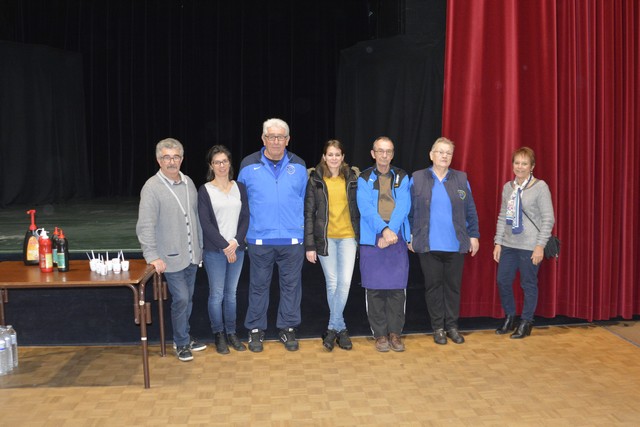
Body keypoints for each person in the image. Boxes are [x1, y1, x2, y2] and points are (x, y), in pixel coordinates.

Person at [237, 118, 307, 352]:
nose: (276, 141)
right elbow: (241, 202)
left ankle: (288, 328)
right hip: (259, 239)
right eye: (271, 137)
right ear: (263, 139)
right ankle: (256, 329)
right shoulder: (248, 165)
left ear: (287, 140)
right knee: (258, 286)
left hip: (292, 239)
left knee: (291, 287)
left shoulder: (299, 165)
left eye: (280, 137)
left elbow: (305, 201)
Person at [136, 138, 206, 362]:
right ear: (159, 160)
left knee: (188, 299)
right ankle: (181, 342)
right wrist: (152, 256)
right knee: (182, 299)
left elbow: (195, 218)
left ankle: (184, 335)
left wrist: (200, 248)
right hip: (170, 257)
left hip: (191, 255)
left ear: (182, 159)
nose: (171, 162)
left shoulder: (188, 183)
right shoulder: (151, 187)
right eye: (166, 157)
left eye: (176, 157)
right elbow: (145, 225)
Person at [409, 137, 480, 346]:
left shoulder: (461, 179)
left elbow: (470, 210)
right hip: (428, 245)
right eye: (440, 152)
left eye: (448, 153)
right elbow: (409, 212)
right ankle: (438, 328)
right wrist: (410, 236)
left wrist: (474, 235)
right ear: (431, 155)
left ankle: (452, 327)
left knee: (453, 288)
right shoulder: (417, 178)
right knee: (433, 288)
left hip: (455, 245)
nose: (444, 156)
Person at [493, 147, 555, 339]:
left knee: (528, 284)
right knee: (503, 280)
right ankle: (510, 316)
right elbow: (503, 216)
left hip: (530, 246)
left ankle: (526, 322)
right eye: (517, 163)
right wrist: (498, 242)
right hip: (509, 244)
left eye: (524, 163)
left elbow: (548, 219)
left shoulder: (540, 187)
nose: (520, 167)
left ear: (532, 166)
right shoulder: (508, 187)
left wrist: (540, 246)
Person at [304, 140, 360, 351]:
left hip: (348, 237)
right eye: (330, 154)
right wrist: (310, 245)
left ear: (343, 157)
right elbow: (309, 213)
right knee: (333, 282)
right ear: (324, 157)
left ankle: (332, 329)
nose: (334, 158)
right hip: (325, 239)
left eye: (338, 154)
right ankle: (341, 329)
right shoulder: (315, 179)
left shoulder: (352, 178)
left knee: (344, 283)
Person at [356, 136, 411, 352]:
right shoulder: (364, 178)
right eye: (380, 151)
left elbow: (403, 206)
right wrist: (383, 230)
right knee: (375, 289)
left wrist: (391, 231)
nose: (384, 155)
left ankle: (395, 333)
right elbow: (365, 208)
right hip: (372, 238)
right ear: (373, 154)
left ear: (393, 154)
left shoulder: (402, 176)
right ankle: (379, 334)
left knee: (397, 289)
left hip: (396, 237)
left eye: (388, 151)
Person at [198, 145, 249, 354]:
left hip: (237, 249)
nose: (221, 166)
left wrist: (235, 242)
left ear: (230, 163)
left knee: (231, 294)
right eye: (217, 162)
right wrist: (225, 246)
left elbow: (245, 217)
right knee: (217, 295)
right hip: (215, 252)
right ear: (211, 165)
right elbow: (205, 223)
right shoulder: (205, 190)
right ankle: (218, 334)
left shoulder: (240, 188)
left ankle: (232, 333)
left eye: (224, 161)